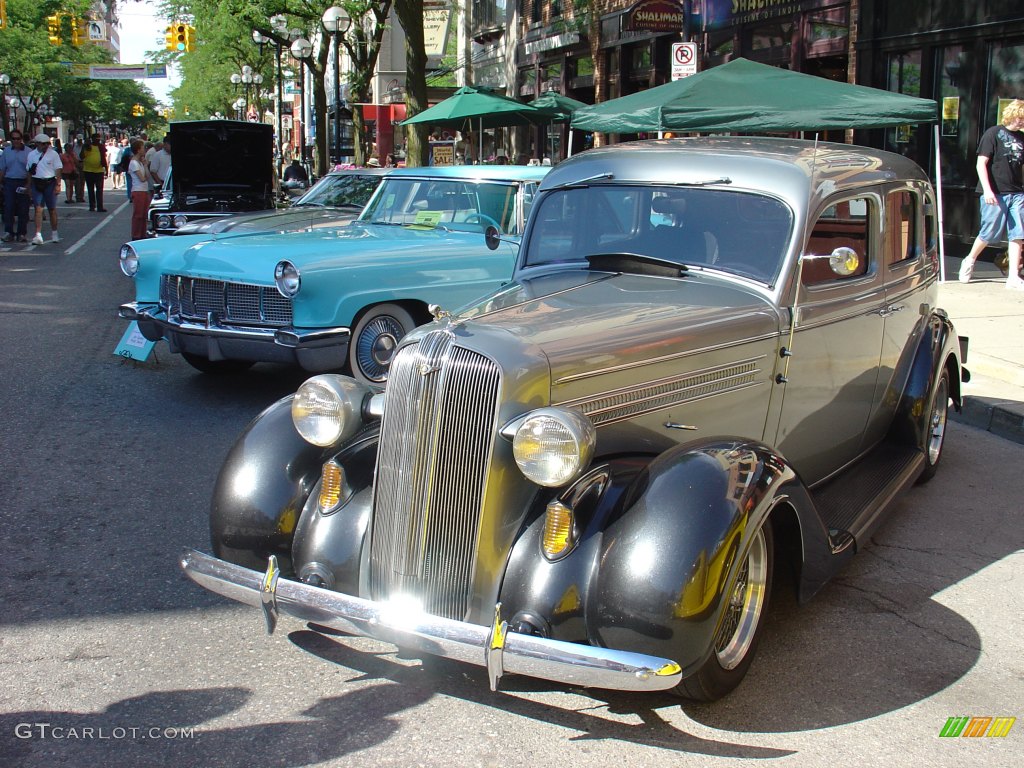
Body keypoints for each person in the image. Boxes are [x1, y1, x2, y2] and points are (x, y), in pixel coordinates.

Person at [958, 99, 1024, 289]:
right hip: (995, 192)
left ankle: (1013, 276)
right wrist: (987, 189)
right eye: (1020, 117)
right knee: (988, 232)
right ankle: (969, 260)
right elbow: (981, 163)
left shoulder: (1022, 138)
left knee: (1018, 234)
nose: (1021, 122)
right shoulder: (993, 133)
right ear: (1013, 114)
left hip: (1017, 192)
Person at [26, 133, 63, 244]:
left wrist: (58, 184)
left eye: (47, 143)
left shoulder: (53, 154)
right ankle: (38, 234)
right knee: (38, 208)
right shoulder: (31, 155)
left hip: (50, 182)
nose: (45, 146)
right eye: (42, 144)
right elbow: (29, 170)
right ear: (37, 144)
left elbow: (58, 169)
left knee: (52, 209)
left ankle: (54, 233)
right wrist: (28, 185)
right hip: (37, 182)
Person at [0, 130, 32, 242]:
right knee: (8, 207)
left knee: (23, 209)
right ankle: (9, 232)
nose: (16, 141)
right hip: (9, 181)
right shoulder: (6, 152)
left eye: (18, 138)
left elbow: (30, 170)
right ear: (11, 139)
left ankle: (22, 233)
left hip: (23, 181)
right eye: (14, 138)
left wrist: (29, 184)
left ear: (21, 139)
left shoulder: (28, 152)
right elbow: (2, 169)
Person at [127, 137, 151, 240]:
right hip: (138, 190)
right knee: (138, 215)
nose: (144, 150)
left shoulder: (140, 162)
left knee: (144, 214)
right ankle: (136, 235)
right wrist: (145, 175)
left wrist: (145, 165)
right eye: (142, 148)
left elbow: (147, 177)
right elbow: (142, 178)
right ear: (138, 150)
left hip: (144, 190)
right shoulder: (134, 163)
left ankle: (142, 233)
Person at [81, 133, 108, 212]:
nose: (98, 140)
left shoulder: (101, 147)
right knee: (90, 189)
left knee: (99, 189)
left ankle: (100, 206)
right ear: (92, 139)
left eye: (99, 138)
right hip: (88, 171)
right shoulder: (88, 147)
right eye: (96, 138)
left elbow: (104, 158)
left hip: (99, 171)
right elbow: (81, 156)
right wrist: (84, 147)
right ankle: (92, 206)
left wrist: (106, 169)